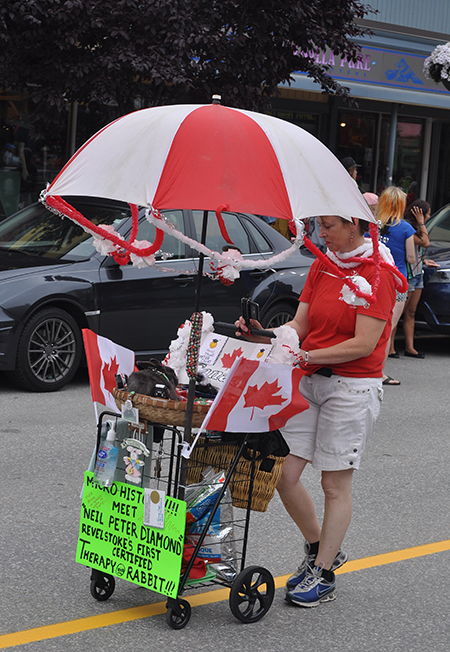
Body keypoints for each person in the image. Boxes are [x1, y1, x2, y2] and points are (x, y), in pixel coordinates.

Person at [236, 214, 403, 607]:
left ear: (356, 226)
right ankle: (318, 549)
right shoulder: (323, 265)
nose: (320, 234)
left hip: (352, 386)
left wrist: (305, 354)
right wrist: (265, 333)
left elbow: (364, 343)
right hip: (311, 380)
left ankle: (324, 573)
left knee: (334, 484)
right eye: (318, 226)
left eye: (328, 225)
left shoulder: (379, 273)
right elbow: (300, 324)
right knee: (284, 473)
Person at [377, 186, 415, 385]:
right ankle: (380, 372)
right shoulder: (406, 228)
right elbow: (410, 257)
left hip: (374, 278)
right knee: (388, 327)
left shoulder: (373, 226)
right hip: (397, 282)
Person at [402, 200, 440, 357]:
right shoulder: (408, 228)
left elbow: (416, 250)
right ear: (419, 214)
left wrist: (423, 261)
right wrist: (422, 223)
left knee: (411, 312)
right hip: (409, 275)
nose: (429, 216)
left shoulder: (416, 228)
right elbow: (425, 242)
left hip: (418, 273)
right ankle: (389, 348)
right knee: (398, 313)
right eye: (428, 213)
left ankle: (410, 347)